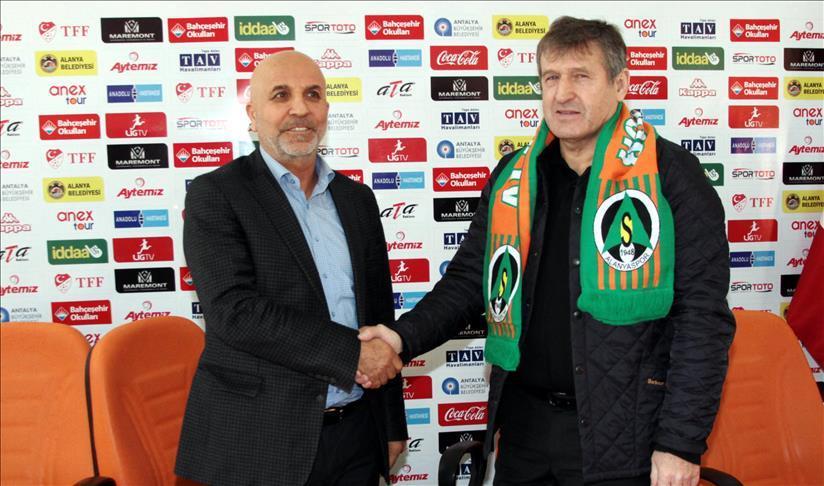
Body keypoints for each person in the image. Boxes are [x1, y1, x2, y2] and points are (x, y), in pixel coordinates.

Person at [359, 16, 734, 486]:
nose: (562, 94)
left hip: (627, 439)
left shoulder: (671, 175)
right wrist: (399, 338)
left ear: (620, 84)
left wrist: (679, 443)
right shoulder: (514, 178)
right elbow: (469, 281)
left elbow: (702, 318)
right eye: (551, 78)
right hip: (525, 432)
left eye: (581, 76)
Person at [175, 51, 407, 486]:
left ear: (326, 110)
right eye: (281, 95)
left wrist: (391, 424)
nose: (299, 109)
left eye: (312, 95)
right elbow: (233, 312)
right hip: (260, 440)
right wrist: (351, 354)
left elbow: (378, 314)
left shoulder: (357, 200)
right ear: (252, 113)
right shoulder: (216, 194)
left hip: (357, 432)